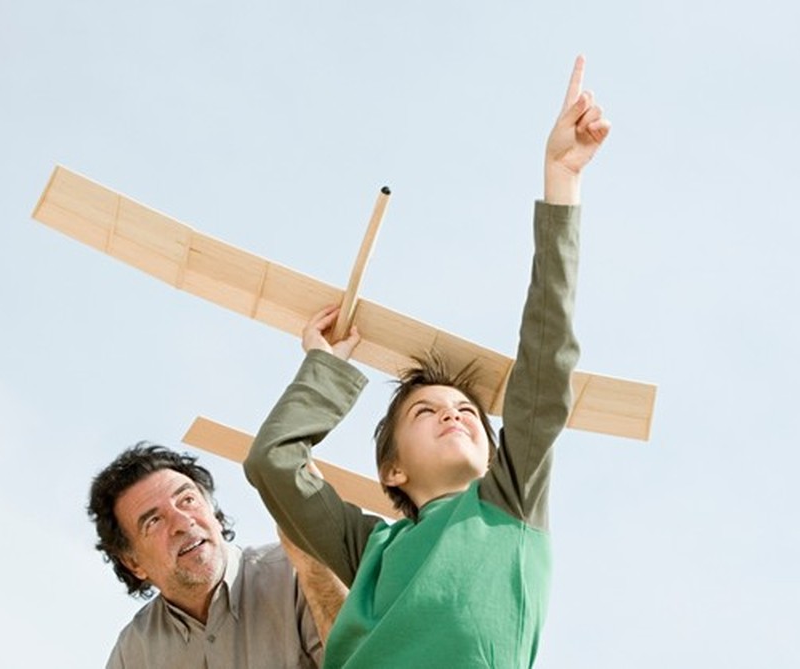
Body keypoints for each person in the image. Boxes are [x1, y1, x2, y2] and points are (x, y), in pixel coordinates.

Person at [243, 55, 609, 668]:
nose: (456, 416)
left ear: (497, 454)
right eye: (427, 412)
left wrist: (561, 181)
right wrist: (325, 368)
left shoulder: (508, 501)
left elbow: (547, 357)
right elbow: (273, 463)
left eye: (468, 409)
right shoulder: (370, 551)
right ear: (391, 472)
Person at [88, 442, 348, 669]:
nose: (183, 522)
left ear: (213, 511)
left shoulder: (298, 573)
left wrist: (317, 570)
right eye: (154, 521)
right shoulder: (134, 653)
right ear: (134, 563)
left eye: (187, 500)